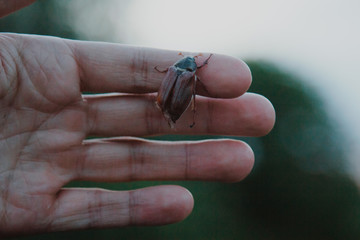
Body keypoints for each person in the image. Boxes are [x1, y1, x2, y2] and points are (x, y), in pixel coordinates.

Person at [0, 0, 275, 236]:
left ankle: (168, 110)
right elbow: (189, 83)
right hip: (174, 97)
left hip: (170, 94)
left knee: (182, 102)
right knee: (185, 102)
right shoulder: (190, 73)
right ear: (195, 66)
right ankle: (170, 111)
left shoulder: (177, 70)